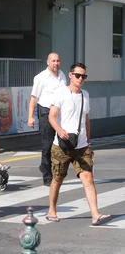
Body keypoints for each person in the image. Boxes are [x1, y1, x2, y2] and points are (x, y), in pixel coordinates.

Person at [46, 63, 112, 226]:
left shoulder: (85, 95)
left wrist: (89, 141)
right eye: (78, 75)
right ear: (70, 75)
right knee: (58, 179)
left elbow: (86, 120)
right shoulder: (60, 93)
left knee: (88, 177)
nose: (81, 79)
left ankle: (95, 214)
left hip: (81, 146)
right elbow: (52, 116)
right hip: (62, 145)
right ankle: (52, 210)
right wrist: (60, 130)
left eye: (84, 76)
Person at [28, 52, 67, 186]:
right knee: (48, 144)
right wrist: (30, 116)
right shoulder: (41, 77)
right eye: (53, 61)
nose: (56, 63)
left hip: (59, 113)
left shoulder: (62, 75)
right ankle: (47, 175)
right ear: (47, 62)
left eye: (58, 61)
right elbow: (34, 98)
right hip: (45, 112)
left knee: (61, 144)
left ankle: (51, 169)